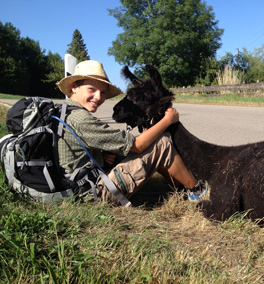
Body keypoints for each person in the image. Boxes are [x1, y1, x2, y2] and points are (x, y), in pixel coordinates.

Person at [56, 60, 207, 205]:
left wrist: (101, 156)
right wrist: (167, 120)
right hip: (93, 193)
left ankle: (180, 189)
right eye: (92, 89)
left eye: (102, 92)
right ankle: (198, 191)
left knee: (147, 143)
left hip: (74, 186)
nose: (98, 97)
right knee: (161, 142)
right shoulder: (81, 120)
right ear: (74, 87)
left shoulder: (65, 112)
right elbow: (138, 145)